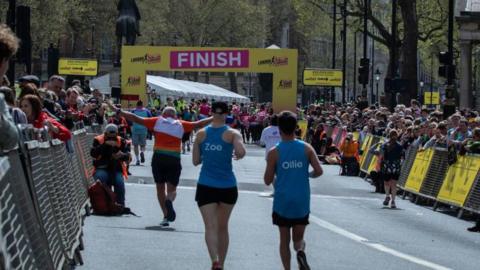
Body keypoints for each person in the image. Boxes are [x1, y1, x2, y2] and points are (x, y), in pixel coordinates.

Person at [111, 104, 212, 226]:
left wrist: (119, 111)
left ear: (163, 114)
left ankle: (165, 216)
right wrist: (214, 117)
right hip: (174, 158)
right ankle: (169, 200)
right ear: (175, 116)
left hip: (159, 157)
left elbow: (135, 118)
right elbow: (199, 124)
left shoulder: (157, 121)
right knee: (172, 189)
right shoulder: (181, 124)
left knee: (160, 188)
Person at [264, 111, 323, 270]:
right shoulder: (306, 148)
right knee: (298, 239)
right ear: (296, 127)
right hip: (301, 199)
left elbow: (267, 180)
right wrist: (307, 174)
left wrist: (279, 173)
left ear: (279, 129)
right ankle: (300, 252)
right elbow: (319, 171)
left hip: (283, 200)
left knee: (284, 240)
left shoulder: (274, 152)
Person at [192, 101, 246, 270]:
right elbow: (241, 152)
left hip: (206, 185)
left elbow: (195, 161)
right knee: (223, 227)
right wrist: (237, 152)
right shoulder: (232, 133)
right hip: (227, 186)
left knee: (210, 226)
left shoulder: (201, 134)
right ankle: (221, 264)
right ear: (226, 114)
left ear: (212, 113)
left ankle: (214, 260)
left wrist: (206, 153)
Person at [90, 124, 130, 205]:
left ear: (117, 134)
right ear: (105, 133)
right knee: (101, 179)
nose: (112, 138)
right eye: (109, 136)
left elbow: (128, 157)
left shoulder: (121, 141)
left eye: (114, 135)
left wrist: (122, 155)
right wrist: (105, 145)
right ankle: (102, 204)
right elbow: (93, 153)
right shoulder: (98, 140)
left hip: (116, 168)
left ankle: (120, 204)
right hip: (102, 167)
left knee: (119, 182)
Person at [372, 129, 404, 209]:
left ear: (389, 136)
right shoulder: (400, 146)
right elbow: (403, 157)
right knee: (394, 184)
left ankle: (387, 196)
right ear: (397, 136)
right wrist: (400, 165)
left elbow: (381, 155)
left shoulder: (384, 145)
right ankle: (393, 201)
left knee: (386, 183)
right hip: (396, 167)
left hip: (387, 166)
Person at [131, 100, 152, 165]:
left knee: (135, 145)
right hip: (143, 130)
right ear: (142, 105)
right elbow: (150, 119)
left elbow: (129, 119)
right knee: (143, 145)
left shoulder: (133, 111)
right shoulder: (147, 111)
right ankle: (142, 152)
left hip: (135, 130)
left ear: (137, 105)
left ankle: (137, 160)